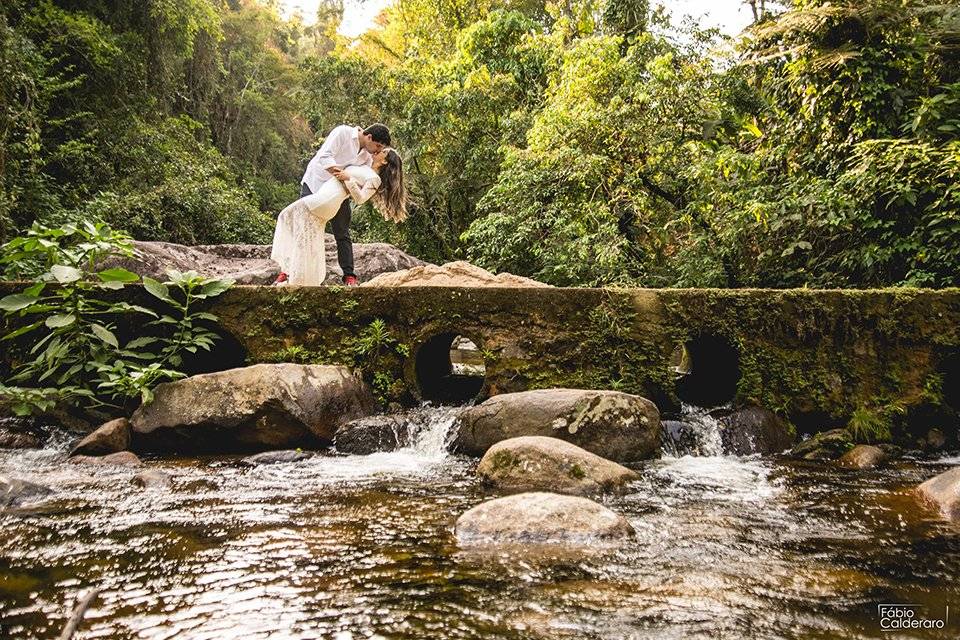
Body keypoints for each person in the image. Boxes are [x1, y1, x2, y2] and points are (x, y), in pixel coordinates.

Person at [271, 147, 408, 286]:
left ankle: (288, 271)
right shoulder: (363, 164)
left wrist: (349, 179)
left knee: (285, 215)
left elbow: (360, 199)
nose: (379, 151)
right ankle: (294, 275)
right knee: (306, 235)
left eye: (384, 152)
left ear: (384, 162)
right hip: (322, 196)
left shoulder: (375, 179)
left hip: (327, 199)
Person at [288, 123, 392, 286]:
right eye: (377, 146)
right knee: (304, 228)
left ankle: (349, 275)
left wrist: (347, 182)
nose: (377, 150)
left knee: (342, 232)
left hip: (338, 192)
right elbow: (324, 156)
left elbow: (357, 180)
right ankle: (287, 271)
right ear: (369, 137)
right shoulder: (342, 133)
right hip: (315, 183)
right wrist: (341, 176)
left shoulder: (366, 156)